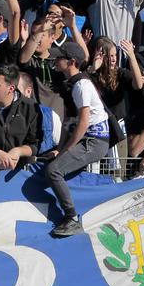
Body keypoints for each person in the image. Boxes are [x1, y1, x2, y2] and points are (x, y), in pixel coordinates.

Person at [46, 40, 109, 237]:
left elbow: (83, 122)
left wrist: (64, 150)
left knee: (53, 170)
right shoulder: (71, 84)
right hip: (87, 139)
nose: (55, 60)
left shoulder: (81, 85)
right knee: (54, 166)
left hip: (94, 140)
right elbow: (68, 121)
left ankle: (72, 218)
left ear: (72, 61)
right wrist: (60, 147)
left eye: (59, 58)